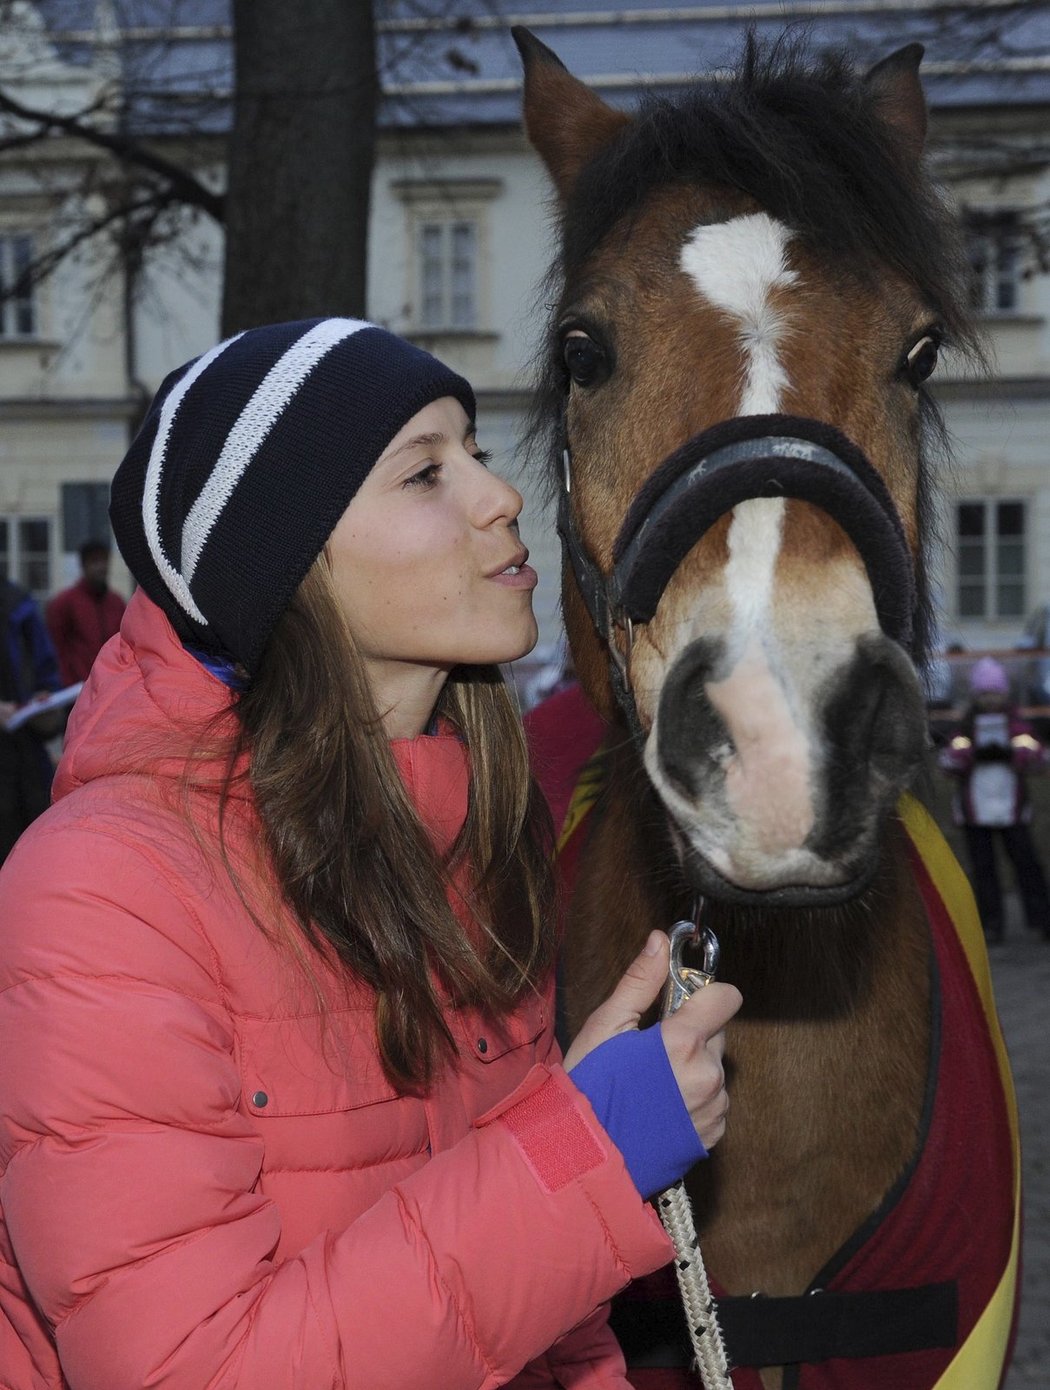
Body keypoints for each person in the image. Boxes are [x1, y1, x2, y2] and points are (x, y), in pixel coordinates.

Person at [0, 318, 741, 1389]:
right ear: (290, 557)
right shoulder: (102, 893)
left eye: (478, 453)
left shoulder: (472, 837)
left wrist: (569, 1149)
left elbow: (544, 1326)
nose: (501, 496)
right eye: (427, 472)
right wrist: (585, 1152)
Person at [939, 654, 1050, 942]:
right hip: (975, 814)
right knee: (984, 872)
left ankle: (1042, 920)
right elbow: (947, 762)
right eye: (985, 693)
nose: (991, 699)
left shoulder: (1018, 724)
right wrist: (972, 755)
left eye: (996, 692)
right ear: (977, 695)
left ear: (1004, 693)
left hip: (1013, 811)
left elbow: (1040, 758)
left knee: (1028, 866)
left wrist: (1012, 754)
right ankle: (991, 925)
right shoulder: (965, 727)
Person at [0, 576, 63, 862]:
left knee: (34, 838)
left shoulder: (18, 603)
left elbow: (45, 667)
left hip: (26, 745)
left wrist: (44, 696)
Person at [45, 537, 126, 684]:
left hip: (111, 686)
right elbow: (55, 648)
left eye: (104, 560)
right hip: (76, 689)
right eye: (95, 561)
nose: (101, 567)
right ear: (83, 565)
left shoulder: (117, 603)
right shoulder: (65, 603)